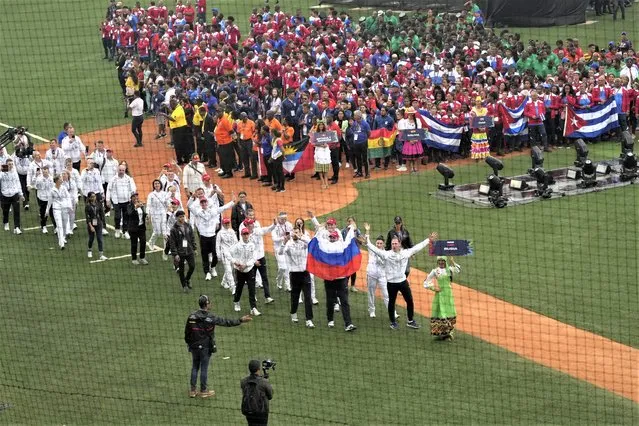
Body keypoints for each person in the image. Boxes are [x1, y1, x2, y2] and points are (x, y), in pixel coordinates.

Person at [364, 222, 437, 330]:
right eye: (392, 244)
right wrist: (367, 237)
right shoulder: (386, 254)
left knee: (410, 301)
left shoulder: (406, 253)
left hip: (403, 282)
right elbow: (372, 247)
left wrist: (428, 240)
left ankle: (410, 321)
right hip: (391, 283)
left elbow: (417, 248)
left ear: (400, 244)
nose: (393, 245)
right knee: (391, 302)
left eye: (395, 243)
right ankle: (393, 322)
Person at [185, 295, 252, 398]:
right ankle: (203, 391)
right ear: (207, 304)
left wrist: (190, 344)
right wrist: (240, 320)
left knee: (195, 367)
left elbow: (187, 333)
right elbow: (226, 322)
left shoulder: (191, 316)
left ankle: (192, 391)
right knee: (204, 368)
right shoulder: (211, 318)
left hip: (194, 346)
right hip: (205, 347)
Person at [193, 193, 236, 281]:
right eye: (202, 203)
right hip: (203, 237)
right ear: (200, 204)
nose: (204, 204)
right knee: (204, 256)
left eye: (205, 202)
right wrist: (192, 197)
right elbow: (190, 206)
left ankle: (213, 267)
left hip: (212, 236)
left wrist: (232, 202)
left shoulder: (213, 211)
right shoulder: (198, 212)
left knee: (215, 254)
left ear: (207, 203)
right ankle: (207, 272)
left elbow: (223, 208)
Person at [279, 228, 314, 328]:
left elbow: (311, 243)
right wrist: (283, 242)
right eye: (293, 232)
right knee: (295, 297)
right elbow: (280, 252)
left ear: (300, 233)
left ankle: (309, 319)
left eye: (297, 232)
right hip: (294, 275)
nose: (295, 234)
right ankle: (293, 313)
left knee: (308, 297)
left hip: (305, 273)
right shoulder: (289, 244)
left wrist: (301, 237)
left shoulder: (304, 243)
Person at [424, 256, 461, 340]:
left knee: (450, 312)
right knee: (442, 313)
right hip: (440, 295)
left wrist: (452, 262)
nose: (441, 262)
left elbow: (458, 269)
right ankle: (443, 332)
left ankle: (448, 332)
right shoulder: (435, 271)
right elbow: (426, 282)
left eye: (443, 261)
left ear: (445, 261)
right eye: (439, 261)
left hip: (449, 295)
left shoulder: (449, 269)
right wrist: (434, 288)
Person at [230, 227, 261, 316]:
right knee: (239, 288)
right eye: (244, 234)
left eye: (247, 234)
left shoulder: (252, 245)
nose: (246, 236)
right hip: (240, 271)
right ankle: (236, 302)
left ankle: (253, 308)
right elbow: (229, 254)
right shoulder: (237, 245)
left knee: (252, 289)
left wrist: (246, 265)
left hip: (249, 270)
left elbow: (254, 257)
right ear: (241, 235)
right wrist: (236, 263)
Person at [106, 163, 137, 239]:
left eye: (123, 170)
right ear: (117, 170)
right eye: (120, 170)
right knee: (117, 216)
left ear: (125, 170)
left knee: (126, 217)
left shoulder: (128, 179)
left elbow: (133, 189)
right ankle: (117, 230)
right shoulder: (113, 179)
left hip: (126, 201)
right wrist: (107, 200)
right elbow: (108, 189)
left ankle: (125, 231)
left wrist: (133, 198)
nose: (121, 171)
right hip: (116, 201)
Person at [241, 360, 274, 426]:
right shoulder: (264, 382)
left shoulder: (243, 381)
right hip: (261, 412)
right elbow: (270, 396)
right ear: (258, 369)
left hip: (248, 410)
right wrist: (265, 380)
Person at [46, 174, 72, 250]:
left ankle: (63, 237)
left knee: (64, 224)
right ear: (57, 181)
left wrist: (69, 207)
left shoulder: (64, 188)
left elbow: (68, 197)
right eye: (60, 178)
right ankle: (61, 243)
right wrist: (47, 211)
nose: (62, 179)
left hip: (64, 208)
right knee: (59, 226)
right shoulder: (52, 190)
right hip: (56, 209)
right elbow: (49, 201)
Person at [0, 158, 25, 234]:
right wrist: (1, 170)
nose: (10, 166)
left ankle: (16, 227)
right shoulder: (2, 172)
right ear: (6, 165)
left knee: (17, 211)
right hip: (5, 195)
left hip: (15, 194)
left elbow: (18, 183)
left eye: (12, 164)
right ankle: (6, 222)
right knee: (5, 211)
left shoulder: (15, 172)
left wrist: (21, 194)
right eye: (9, 164)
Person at [397, 107, 424, 173]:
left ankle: (416, 168)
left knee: (416, 156)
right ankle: (411, 168)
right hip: (408, 141)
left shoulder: (417, 120)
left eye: (412, 113)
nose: (411, 115)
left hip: (416, 140)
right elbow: (403, 132)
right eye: (409, 113)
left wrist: (415, 139)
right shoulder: (404, 121)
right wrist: (409, 140)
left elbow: (419, 130)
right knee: (410, 156)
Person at [216, 217, 238, 292]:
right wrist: (218, 254)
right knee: (228, 270)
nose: (227, 224)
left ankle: (223, 282)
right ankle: (233, 287)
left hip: (232, 254)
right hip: (224, 254)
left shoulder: (232, 231)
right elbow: (217, 244)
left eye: (228, 223)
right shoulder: (220, 233)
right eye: (226, 223)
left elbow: (236, 242)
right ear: (223, 224)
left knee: (230, 269)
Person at [147, 179, 170, 250]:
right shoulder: (151, 195)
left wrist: (169, 208)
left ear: (160, 185)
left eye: (158, 183)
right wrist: (148, 214)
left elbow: (168, 204)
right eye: (155, 184)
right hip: (154, 215)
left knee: (164, 232)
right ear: (153, 185)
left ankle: (166, 249)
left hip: (163, 214)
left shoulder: (165, 194)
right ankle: (151, 242)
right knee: (157, 232)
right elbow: (148, 205)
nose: (157, 185)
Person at [126, 192, 148, 265]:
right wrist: (135, 207)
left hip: (141, 227)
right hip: (133, 228)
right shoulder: (129, 206)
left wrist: (146, 216)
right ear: (131, 198)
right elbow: (130, 214)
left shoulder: (140, 204)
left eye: (136, 196)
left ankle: (142, 257)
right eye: (134, 197)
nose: (136, 198)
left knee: (143, 242)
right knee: (134, 243)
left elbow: (143, 214)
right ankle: (134, 258)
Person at [85, 191, 108, 260]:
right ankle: (89, 250)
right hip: (91, 223)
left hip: (98, 222)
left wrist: (103, 224)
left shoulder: (99, 204)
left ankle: (101, 254)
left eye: (94, 196)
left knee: (99, 239)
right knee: (91, 238)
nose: (94, 198)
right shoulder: (87, 206)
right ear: (89, 198)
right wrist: (91, 226)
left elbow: (102, 214)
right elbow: (87, 218)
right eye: (92, 197)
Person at [34, 166, 55, 234]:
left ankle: (56, 227)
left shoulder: (51, 178)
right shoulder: (39, 178)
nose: (45, 173)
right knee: (43, 213)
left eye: (46, 172)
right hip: (42, 198)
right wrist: (36, 177)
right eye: (43, 172)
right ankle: (43, 226)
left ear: (48, 171)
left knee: (52, 213)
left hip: (50, 198)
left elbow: (54, 187)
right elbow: (36, 186)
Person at [310, 120, 331, 189]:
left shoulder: (327, 133)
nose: (321, 126)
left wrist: (326, 144)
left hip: (326, 151)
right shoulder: (315, 134)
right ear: (318, 126)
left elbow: (330, 140)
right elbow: (312, 143)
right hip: (319, 151)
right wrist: (321, 145)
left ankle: (326, 181)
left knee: (325, 167)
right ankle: (322, 181)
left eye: (322, 125)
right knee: (320, 167)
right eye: (320, 125)